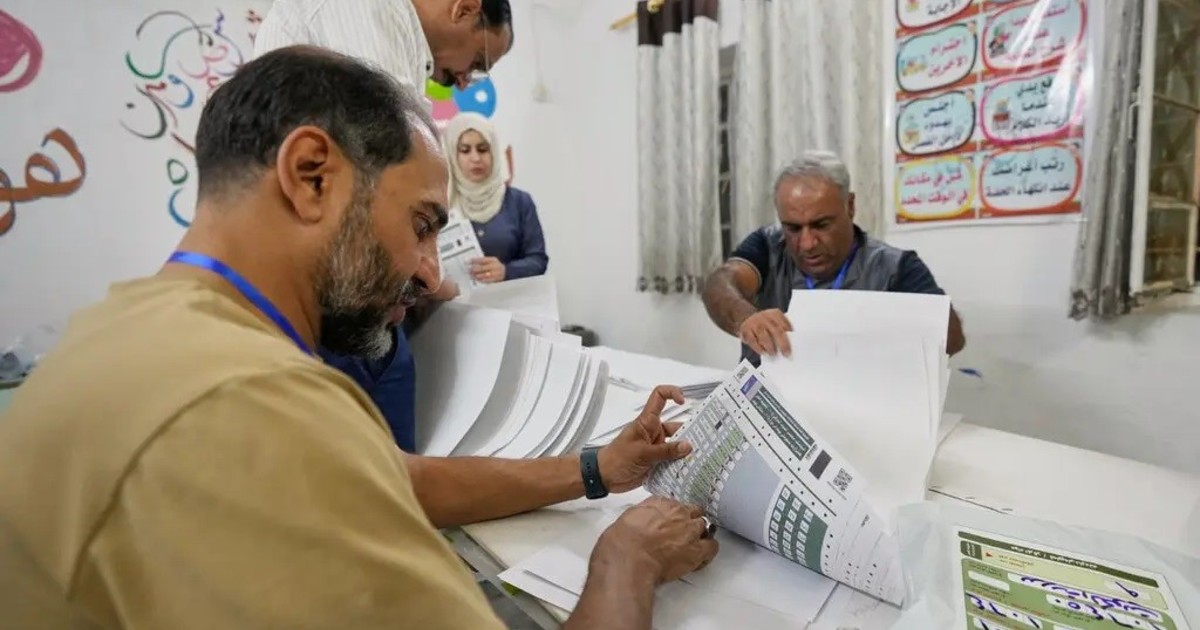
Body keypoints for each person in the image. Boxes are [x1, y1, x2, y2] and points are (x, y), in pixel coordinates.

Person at [0, 47, 717, 629]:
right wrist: (628, 561)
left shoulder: (131, 328)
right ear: (312, 176)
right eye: (422, 225)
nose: (431, 272)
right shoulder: (249, 402)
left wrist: (600, 469)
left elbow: (398, 478)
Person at [703, 151, 966, 365]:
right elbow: (722, 283)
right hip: (764, 401)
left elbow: (952, 339)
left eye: (822, 225)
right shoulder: (767, 245)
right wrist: (746, 318)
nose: (807, 244)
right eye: (793, 228)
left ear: (850, 206)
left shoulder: (893, 266)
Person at [254, 0, 514, 91]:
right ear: (464, 9)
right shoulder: (374, 7)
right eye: (477, 63)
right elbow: (390, 150)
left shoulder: (406, 38)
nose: (463, 83)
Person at [445, 112, 549, 284]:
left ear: (494, 152)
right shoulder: (442, 202)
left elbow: (538, 260)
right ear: (452, 156)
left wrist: (506, 271)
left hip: (510, 298)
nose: (475, 158)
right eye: (465, 150)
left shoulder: (519, 202)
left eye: (483, 149)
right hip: (455, 300)